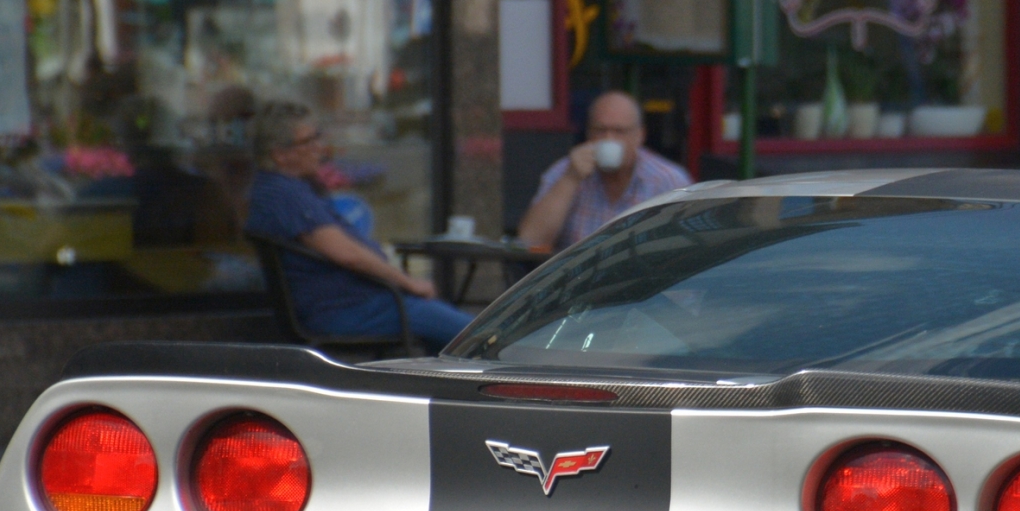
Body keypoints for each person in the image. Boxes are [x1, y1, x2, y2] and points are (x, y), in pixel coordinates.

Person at [242, 104, 474, 349]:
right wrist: (408, 283)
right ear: (280, 154)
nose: (319, 148)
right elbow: (348, 255)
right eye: (308, 141)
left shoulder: (284, 189)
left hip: (363, 303)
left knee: (456, 336)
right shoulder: (284, 193)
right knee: (477, 337)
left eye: (318, 137)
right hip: (349, 309)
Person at [517, 91, 692, 252]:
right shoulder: (566, 170)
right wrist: (571, 179)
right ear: (588, 134)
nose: (609, 139)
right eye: (601, 130)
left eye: (619, 131)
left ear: (640, 135)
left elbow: (690, 246)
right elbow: (530, 241)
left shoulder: (668, 180)